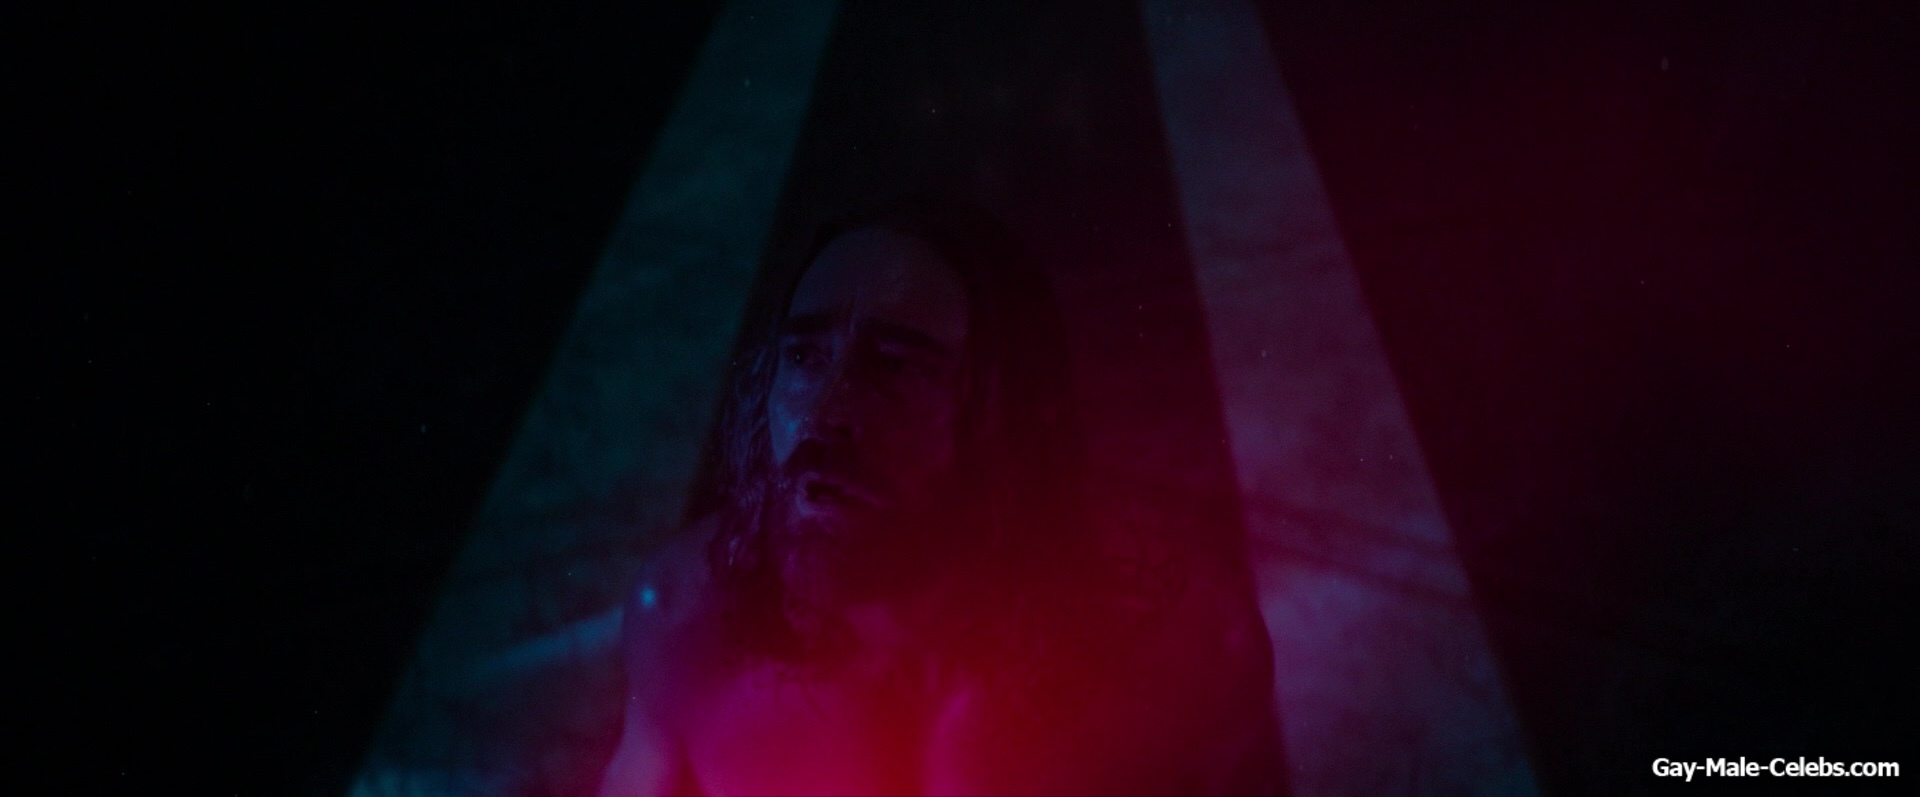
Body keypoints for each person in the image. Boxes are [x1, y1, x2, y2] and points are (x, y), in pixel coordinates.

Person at [598, 199, 1285, 796]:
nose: (826, 413)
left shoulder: (1186, 648)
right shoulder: (685, 623)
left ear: (1006, 408)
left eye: (895, 366)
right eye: (804, 357)